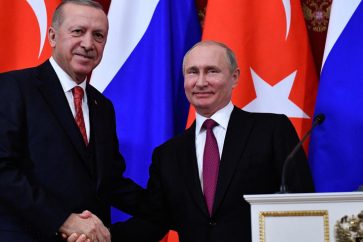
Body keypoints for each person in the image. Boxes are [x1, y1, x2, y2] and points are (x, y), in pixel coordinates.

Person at [113, 40, 315, 242]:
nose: (200, 82)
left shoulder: (272, 130)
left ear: (234, 77)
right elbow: (154, 221)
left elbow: (302, 208)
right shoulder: (168, 155)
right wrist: (100, 237)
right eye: (193, 72)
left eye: (211, 71)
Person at [0, 1, 145, 241]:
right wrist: (63, 219)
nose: (88, 44)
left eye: (98, 36)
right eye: (78, 31)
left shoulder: (103, 107)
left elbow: (109, 182)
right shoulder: (12, 88)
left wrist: (177, 208)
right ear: (53, 36)